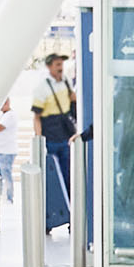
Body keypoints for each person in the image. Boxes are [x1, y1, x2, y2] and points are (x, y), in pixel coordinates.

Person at [32, 49, 77, 234]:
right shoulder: (42, 88)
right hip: (50, 139)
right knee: (51, 180)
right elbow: (37, 116)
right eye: (57, 65)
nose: (61, 68)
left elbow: (73, 100)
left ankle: (71, 218)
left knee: (68, 178)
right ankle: (49, 220)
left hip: (65, 137)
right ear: (49, 67)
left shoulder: (66, 82)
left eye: (62, 64)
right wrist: (39, 140)